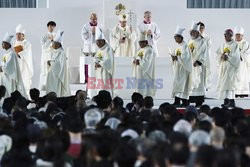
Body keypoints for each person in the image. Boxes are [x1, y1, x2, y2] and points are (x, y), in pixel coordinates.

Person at [216, 29, 241, 108]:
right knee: (224, 85)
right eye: (224, 35)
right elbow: (218, 54)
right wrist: (221, 56)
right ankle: (226, 101)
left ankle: (231, 102)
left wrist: (228, 57)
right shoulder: (223, 45)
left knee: (230, 86)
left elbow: (236, 57)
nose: (225, 36)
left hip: (231, 69)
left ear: (230, 35)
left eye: (226, 35)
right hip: (224, 68)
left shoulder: (235, 45)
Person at [188, 22, 209, 107]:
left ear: (198, 32)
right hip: (190, 66)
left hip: (198, 66)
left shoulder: (202, 41)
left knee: (199, 84)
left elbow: (205, 53)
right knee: (190, 84)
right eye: (191, 32)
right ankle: (190, 100)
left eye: (194, 32)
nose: (192, 33)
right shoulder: (189, 41)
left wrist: (199, 61)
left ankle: (199, 102)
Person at [171, 26, 193, 107]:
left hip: (184, 69)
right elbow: (176, 56)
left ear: (180, 37)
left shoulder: (185, 46)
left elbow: (186, 58)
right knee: (177, 85)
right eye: (174, 37)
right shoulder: (178, 46)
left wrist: (177, 58)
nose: (175, 39)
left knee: (183, 86)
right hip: (178, 69)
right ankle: (177, 101)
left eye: (176, 37)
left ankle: (185, 102)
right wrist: (173, 58)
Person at [0, 32, 27, 97]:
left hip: (10, 78)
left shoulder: (11, 54)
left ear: (8, 44)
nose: (2, 44)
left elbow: (9, 67)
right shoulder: (5, 54)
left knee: (9, 93)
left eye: (3, 43)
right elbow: (4, 63)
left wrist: (2, 68)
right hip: (4, 77)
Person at [45, 30, 71, 97]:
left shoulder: (61, 53)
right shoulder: (55, 52)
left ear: (58, 44)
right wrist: (49, 62)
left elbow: (60, 65)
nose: (52, 44)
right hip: (52, 75)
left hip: (57, 76)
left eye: (53, 43)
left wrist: (51, 62)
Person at [81, 13, 103, 83]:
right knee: (87, 62)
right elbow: (83, 35)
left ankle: (97, 77)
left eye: (95, 19)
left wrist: (96, 32)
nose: (94, 20)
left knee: (97, 61)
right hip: (88, 46)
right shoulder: (86, 26)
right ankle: (87, 78)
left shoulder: (100, 26)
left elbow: (102, 35)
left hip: (97, 46)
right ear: (90, 19)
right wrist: (91, 32)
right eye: (93, 19)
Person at [13, 24, 33, 94]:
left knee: (24, 84)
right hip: (16, 66)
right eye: (16, 34)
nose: (17, 36)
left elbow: (27, 54)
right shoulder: (14, 42)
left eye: (19, 34)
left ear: (23, 35)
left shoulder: (27, 43)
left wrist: (19, 53)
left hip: (24, 66)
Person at [93, 29, 114, 96]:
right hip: (99, 73)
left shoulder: (108, 48)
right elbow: (95, 59)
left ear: (103, 41)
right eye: (97, 42)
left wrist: (101, 64)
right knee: (99, 87)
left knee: (105, 87)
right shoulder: (99, 50)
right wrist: (95, 63)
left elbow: (109, 60)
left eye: (99, 41)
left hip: (105, 73)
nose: (98, 44)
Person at [234, 26, 250, 97]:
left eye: (239, 35)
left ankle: (243, 95)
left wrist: (239, 55)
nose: (237, 36)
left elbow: (247, 54)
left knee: (243, 81)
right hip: (234, 66)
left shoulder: (245, 43)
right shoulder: (232, 43)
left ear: (242, 36)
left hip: (242, 66)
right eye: (236, 35)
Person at [40, 21, 57, 90]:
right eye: (50, 26)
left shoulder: (56, 35)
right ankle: (45, 86)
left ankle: (53, 86)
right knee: (46, 71)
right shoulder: (44, 36)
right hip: (46, 55)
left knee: (53, 71)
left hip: (53, 55)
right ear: (48, 27)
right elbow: (43, 46)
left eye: (53, 26)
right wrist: (50, 40)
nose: (52, 28)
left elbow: (60, 44)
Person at [198, 22, 211, 90]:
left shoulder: (207, 37)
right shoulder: (194, 38)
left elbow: (208, 47)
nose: (201, 29)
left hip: (204, 59)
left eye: (202, 28)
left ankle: (204, 90)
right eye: (199, 28)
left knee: (204, 74)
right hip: (196, 59)